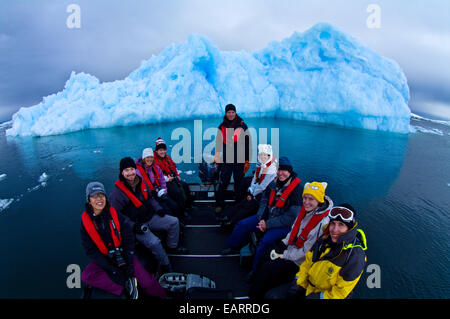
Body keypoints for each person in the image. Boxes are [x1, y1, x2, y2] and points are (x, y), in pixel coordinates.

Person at [221, 156, 302, 281]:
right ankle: (233, 245)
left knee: (264, 242)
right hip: (267, 218)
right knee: (243, 224)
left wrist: (267, 224)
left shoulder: (296, 190)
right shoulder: (274, 183)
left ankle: (254, 270)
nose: (281, 173)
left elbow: (290, 218)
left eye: (284, 170)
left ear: (290, 171)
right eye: (279, 170)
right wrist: (261, 217)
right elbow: (264, 200)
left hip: (283, 225)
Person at [80, 182, 166, 299]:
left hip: (123, 254)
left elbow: (128, 236)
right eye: (94, 196)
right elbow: (90, 250)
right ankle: (125, 287)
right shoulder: (85, 223)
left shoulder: (114, 214)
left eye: (101, 195)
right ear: (89, 200)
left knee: (148, 284)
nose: (99, 199)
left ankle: (163, 296)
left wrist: (129, 261)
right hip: (106, 258)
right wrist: (112, 269)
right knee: (86, 276)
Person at [248, 182, 332, 299]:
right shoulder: (305, 211)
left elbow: (306, 252)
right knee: (265, 254)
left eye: (311, 199)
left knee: (268, 269)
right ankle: (256, 283)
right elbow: (294, 230)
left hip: (299, 262)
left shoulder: (323, 223)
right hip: (291, 249)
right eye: (305, 198)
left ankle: (255, 296)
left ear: (319, 200)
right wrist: (283, 243)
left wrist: (283, 255)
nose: (306, 202)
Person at [267, 204, 367, 299]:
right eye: (333, 224)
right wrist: (298, 284)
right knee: (272, 295)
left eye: (341, 225)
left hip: (322, 296)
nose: (335, 230)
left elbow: (339, 293)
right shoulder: (324, 239)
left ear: (349, 229)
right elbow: (307, 263)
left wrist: (313, 297)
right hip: (307, 288)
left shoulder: (355, 256)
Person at [109, 157, 187, 275]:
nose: (130, 173)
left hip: (149, 217)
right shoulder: (117, 193)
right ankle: (166, 265)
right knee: (154, 242)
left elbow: (150, 199)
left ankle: (172, 246)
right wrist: (133, 226)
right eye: (126, 170)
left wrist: (158, 209)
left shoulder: (140, 182)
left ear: (135, 169)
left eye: (132, 169)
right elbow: (116, 216)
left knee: (174, 222)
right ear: (121, 172)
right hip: (136, 225)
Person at [220, 144, 277, 229]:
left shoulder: (272, 169)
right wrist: (250, 190)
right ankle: (228, 216)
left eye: (265, 155)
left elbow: (263, 186)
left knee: (248, 206)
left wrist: (253, 195)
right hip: (256, 191)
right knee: (243, 202)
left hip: (263, 194)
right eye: (261, 154)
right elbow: (255, 179)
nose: (262, 156)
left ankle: (231, 222)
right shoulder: (261, 164)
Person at [214, 104, 252, 214]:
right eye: (228, 112)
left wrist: (247, 160)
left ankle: (238, 204)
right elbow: (218, 142)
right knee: (223, 182)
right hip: (226, 160)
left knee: (238, 183)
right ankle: (220, 204)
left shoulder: (242, 126)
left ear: (235, 113)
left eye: (232, 112)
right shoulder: (221, 126)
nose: (230, 114)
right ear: (226, 113)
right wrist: (217, 155)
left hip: (239, 160)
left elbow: (248, 144)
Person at [135, 147, 180, 219]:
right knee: (166, 210)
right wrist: (153, 192)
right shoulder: (138, 172)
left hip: (160, 193)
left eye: (151, 157)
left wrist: (164, 191)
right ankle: (172, 224)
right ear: (144, 158)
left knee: (174, 205)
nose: (149, 159)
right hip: (150, 196)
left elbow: (162, 180)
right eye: (147, 157)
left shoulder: (155, 167)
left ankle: (178, 221)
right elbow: (139, 188)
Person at [153, 137, 193, 216]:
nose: (162, 152)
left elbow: (174, 167)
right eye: (160, 150)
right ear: (156, 151)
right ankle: (181, 211)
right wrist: (167, 179)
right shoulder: (155, 160)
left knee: (185, 186)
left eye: (164, 150)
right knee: (177, 192)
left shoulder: (167, 158)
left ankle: (188, 205)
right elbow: (157, 174)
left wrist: (177, 175)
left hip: (172, 179)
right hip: (164, 182)